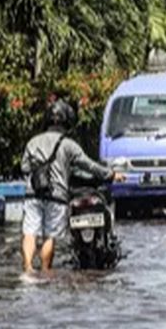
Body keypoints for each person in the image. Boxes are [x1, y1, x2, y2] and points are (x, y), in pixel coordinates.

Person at [20, 101, 126, 274]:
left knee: (30, 233)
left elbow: (24, 168)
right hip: (57, 196)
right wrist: (112, 175)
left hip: (33, 194)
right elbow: (89, 166)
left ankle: (28, 269)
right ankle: (46, 270)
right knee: (49, 236)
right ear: (68, 123)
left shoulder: (32, 143)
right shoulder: (68, 145)